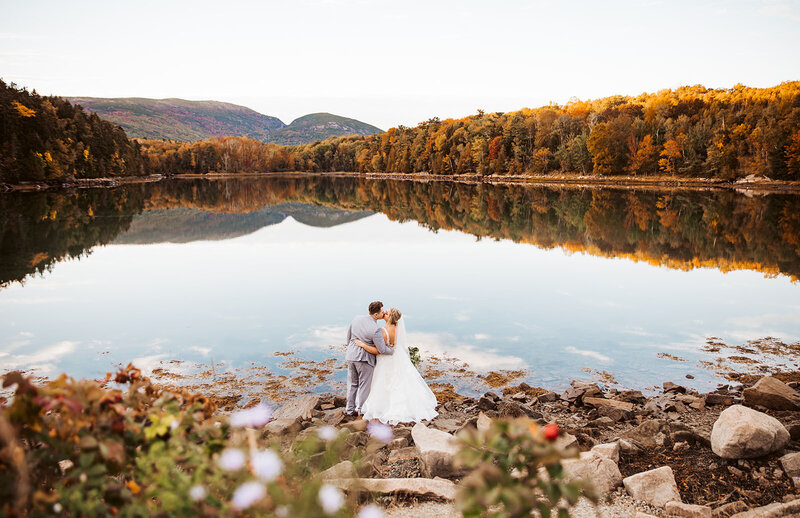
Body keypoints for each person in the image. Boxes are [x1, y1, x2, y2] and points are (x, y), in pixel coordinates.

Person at [355, 308, 438, 424]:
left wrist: (362, 345)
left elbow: (380, 350)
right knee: (401, 380)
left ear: (390, 317)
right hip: (398, 357)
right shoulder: (398, 329)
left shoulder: (382, 331)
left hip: (385, 360)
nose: (384, 313)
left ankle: (382, 407)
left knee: (383, 381)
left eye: (387, 313)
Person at [345, 301, 395, 417]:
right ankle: (361, 410)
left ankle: (349, 410)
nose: (383, 314)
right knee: (364, 385)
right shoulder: (376, 329)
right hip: (364, 359)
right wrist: (393, 351)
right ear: (376, 314)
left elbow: (348, 337)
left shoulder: (356, 318)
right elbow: (382, 349)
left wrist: (351, 350)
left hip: (351, 356)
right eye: (382, 312)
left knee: (352, 384)